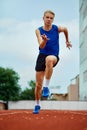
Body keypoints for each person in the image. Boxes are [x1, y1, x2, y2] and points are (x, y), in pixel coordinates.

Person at [33, 10, 72, 114]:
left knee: (49, 60)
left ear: (53, 19)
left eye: (51, 18)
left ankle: (46, 87)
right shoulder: (38, 30)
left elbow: (65, 29)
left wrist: (67, 40)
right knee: (37, 85)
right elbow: (40, 45)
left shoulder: (56, 28)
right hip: (41, 56)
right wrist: (45, 40)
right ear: (43, 18)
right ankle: (37, 104)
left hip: (53, 56)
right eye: (47, 17)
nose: (49, 19)